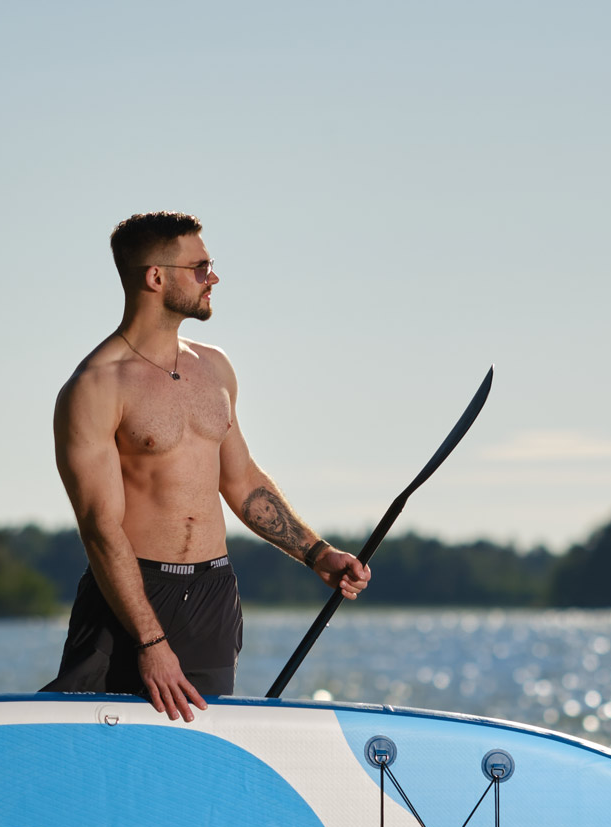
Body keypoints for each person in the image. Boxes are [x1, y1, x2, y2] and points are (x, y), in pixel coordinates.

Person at [41, 211, 370, 721]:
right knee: (92, 749)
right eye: (199, 268)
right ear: (156, 277)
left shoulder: (214, 367)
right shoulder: (96, 386)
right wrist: (150, 641)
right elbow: (100, 526)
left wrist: (317, 554)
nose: (212, 278)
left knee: (196, 751)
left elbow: (241, 481)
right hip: (132, 597)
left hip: (213, 595)